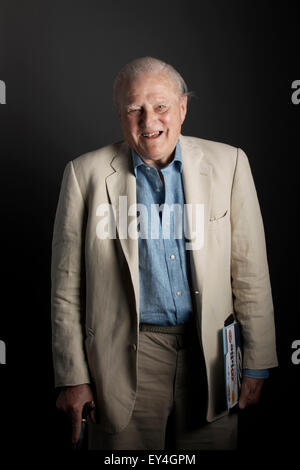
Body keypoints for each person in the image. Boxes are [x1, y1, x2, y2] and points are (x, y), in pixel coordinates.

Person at [51, 56, 278, 450]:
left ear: (183, 107)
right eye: (134, 109)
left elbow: (250, 270)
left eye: (160, 106)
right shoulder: (83, 174)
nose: (148, 121)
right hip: (124, 358)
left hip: (210, 354)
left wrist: (257, 359)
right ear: (120, 113)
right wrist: (73, 376)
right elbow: (66, 288)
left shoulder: (230, 164)